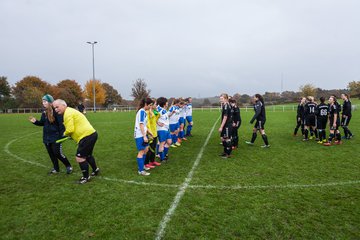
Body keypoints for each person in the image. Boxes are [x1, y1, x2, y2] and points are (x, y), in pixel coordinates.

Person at [52, 99, 99, 184]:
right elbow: (74, 127)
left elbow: (70, 129)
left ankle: (85, 177)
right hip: (91, 134)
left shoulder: (67, 113)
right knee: (87, 155)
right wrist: (71, 135)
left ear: (64, 105)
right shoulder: (70, 111)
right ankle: (96, 170)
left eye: (57, 107)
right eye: (54, 108)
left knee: (79, 157)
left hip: (86, 136)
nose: (55, 109)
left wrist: (65, 134)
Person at [29, 94, 73, 175]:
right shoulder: (44, 112)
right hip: (46, 137)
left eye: (45, 101)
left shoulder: (56, 111)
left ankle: (68, 166)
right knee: (51, 154)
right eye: (42, 101)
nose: (43, 103)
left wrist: (62, 135)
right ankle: (56, 169)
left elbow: (61, 124)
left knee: (57, 153)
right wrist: (35, 122)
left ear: (50, 102)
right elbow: (42, 123)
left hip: (56, 137)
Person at [134, 98, 154, 176]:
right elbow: (141, 124)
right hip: (139, 135)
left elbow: (144, 126)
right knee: (141, 152)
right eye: (150, 105)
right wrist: (144, 136)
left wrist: (150, 132)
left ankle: (143, 166)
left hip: (142, 134)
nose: (150, 107)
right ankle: (141, 170)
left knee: (146, 149)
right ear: (146, 104)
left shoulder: (144, 112)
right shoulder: (142, 111)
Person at [145, 98, 161, 169]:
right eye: (155, 104)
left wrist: (156, 113)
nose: (156, 105)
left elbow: (156, 119)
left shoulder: (153, 112)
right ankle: (146, 163)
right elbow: (147, 123)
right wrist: (149, 133)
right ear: (151, 105)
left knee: (153, 148)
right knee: (149, 149)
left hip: (155, 132)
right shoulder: (147, 113)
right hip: (150, 133)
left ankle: (152, 161)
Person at [156, 97, 172, 162]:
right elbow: (153, 117)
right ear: (164, 103)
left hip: (166, 129)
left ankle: (164, 154)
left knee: (169, 142)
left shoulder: (164, 110)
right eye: (166, 102)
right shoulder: (159, 110)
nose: (167, 103)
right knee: (162, 143)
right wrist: (158, 123)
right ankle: (162, 158)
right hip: (161, 129)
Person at [219, 93, 233, 158]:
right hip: (226, 125)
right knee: (223, 138)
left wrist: (221, 127)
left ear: (226, 99)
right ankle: (225, 152)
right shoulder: (225, 105)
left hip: (227, 125)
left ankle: (228, 154)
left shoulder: (226, 106)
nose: (220, 100)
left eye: (222, 99)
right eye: (220, 98)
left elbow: (225, 117)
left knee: (227, 139)